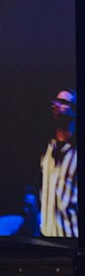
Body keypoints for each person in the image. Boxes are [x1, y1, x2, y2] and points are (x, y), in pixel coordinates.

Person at [39, 89, 77, 237]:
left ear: (75, 110)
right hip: (46, 238)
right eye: (55, 101)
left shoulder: (76, 154)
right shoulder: (47, 148)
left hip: (71, 240)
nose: (56, 105)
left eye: (63, 103)